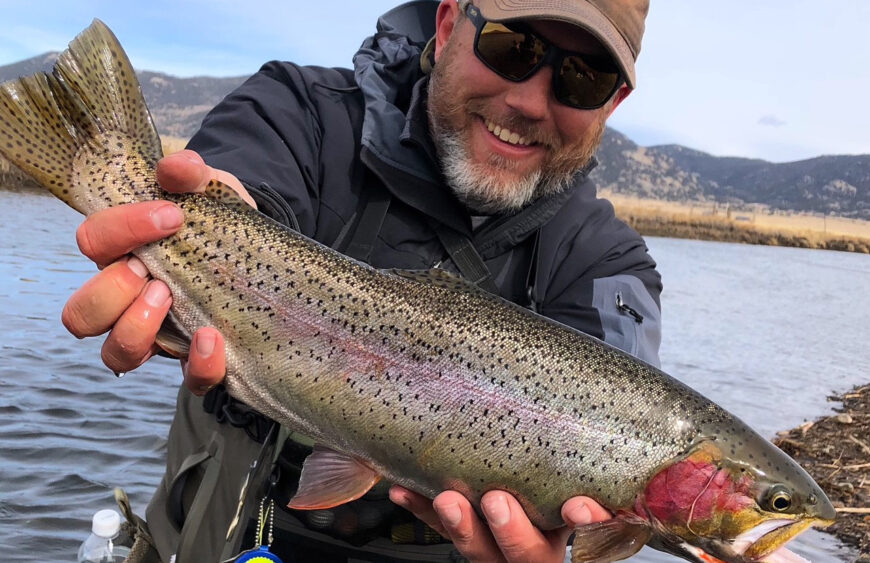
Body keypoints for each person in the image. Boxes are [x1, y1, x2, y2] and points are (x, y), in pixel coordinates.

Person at [62, 0, 660, 561]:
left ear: (615, 103)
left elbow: (611, 455)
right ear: (449, 24)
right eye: (513, 49)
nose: (530, 101)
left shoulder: (610, 265)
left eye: (583, 78)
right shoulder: (299, 111)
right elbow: (250, 190)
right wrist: (189, 234)